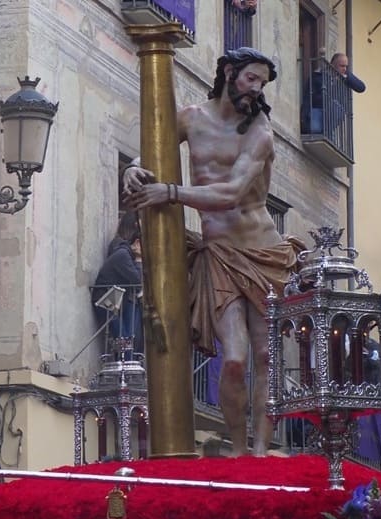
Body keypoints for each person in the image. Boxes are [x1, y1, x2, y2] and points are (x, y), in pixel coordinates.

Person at [123, 47, 301, 456]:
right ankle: (238, 450)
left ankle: (259, 451)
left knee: (265, 357)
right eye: (251, 79)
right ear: (228, 72)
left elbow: (231, 193)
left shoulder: (260, 132)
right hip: (219, 253)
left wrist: (169, 192)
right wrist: (134, 166)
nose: (256, 90)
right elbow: (155, 146)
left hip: (264, 254)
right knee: (235, 358)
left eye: (262, 83)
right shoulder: (190, 118)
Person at [92, 211, 143, 351]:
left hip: (117, 299)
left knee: (128, 338)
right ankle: (125, 367)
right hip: (109, 300)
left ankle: (126, 365)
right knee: (124, 338)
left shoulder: (122, 251)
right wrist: (138, 260)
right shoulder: (122, 252)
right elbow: (137, 280)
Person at [304, 52, 366, 134]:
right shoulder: (318, 75)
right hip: (318, 109)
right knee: (315, 130)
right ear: (333, 65)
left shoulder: (345, 76)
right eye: (342, 66)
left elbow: (361, 88)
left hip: (332, 113)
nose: (344, 69)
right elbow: (309, 97)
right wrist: (305, 115)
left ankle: (328, 133)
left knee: (337, 107)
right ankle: (325, 133)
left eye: (346, 66)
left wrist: (348, 76)